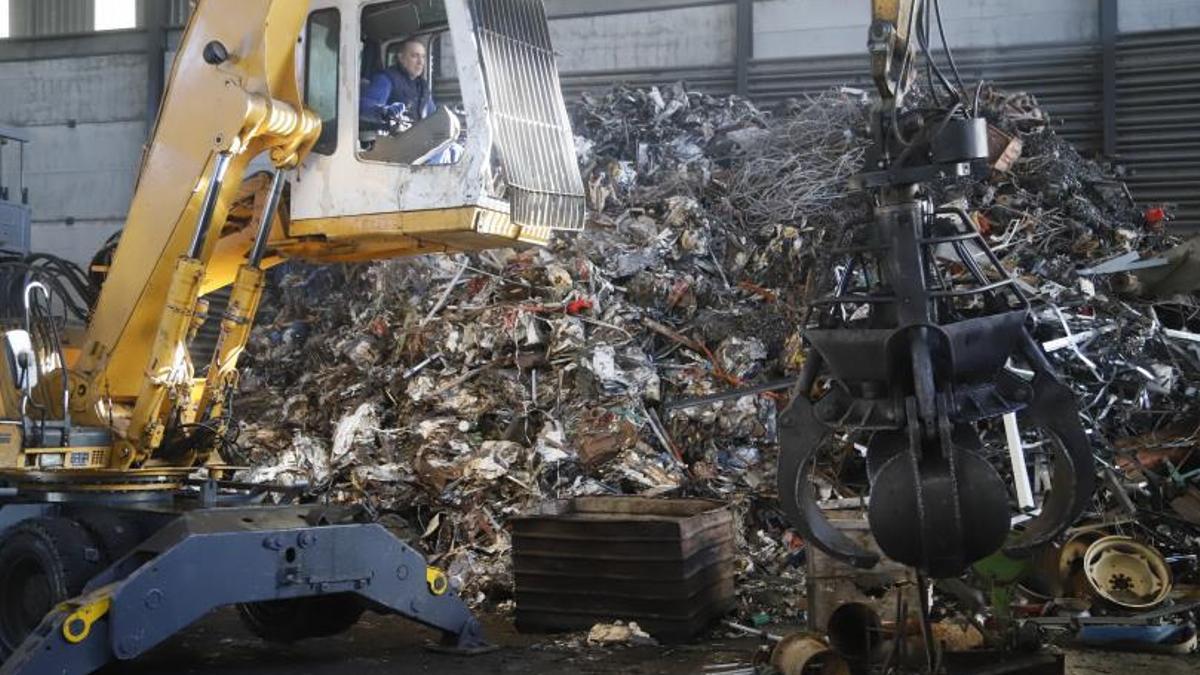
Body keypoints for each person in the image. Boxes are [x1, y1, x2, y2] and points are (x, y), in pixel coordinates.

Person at [360, 38, 435, 131]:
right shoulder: (386, 79)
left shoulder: (422, 86)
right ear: (401, 58)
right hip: (392, 141)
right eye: (415, 56)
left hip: (418, 139)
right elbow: (366, 106)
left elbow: (432, 114)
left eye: (423, 57)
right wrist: (385, 111)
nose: (420, 62)